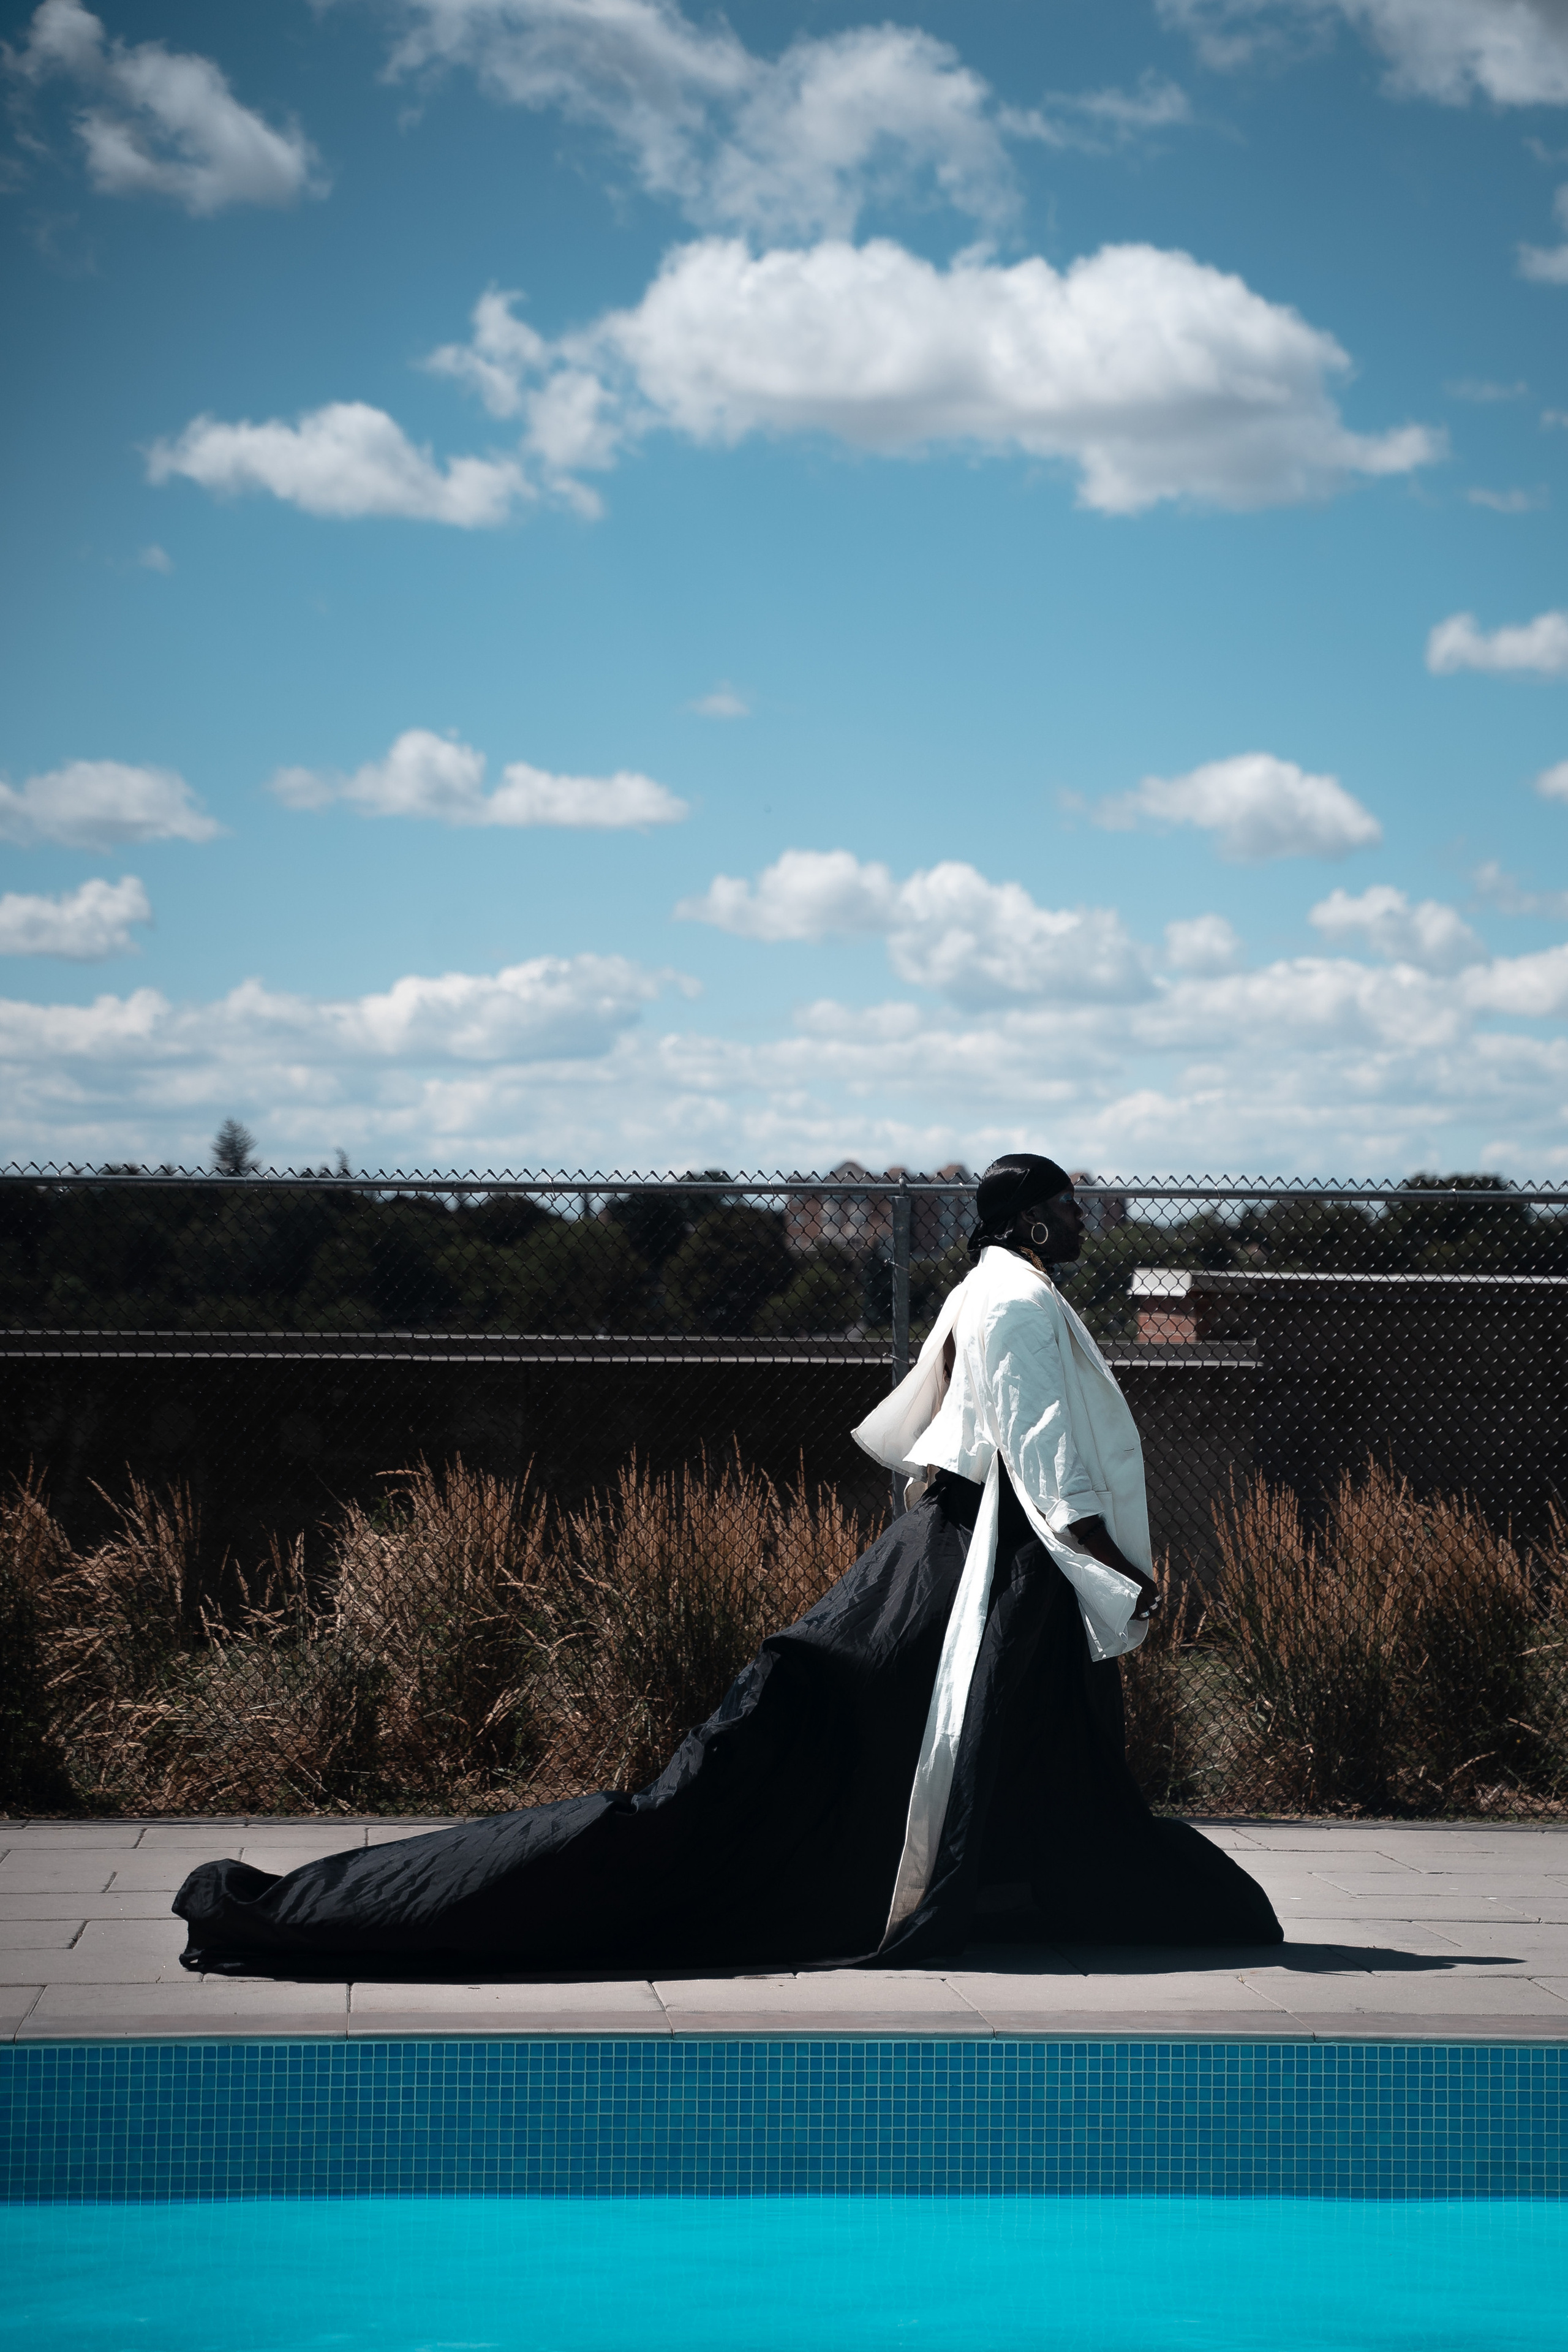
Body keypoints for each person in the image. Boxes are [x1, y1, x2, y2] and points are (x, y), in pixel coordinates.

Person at [173, 1153, 1280, 1976]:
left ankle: (1022, 1893)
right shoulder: (1020, 1300)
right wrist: (1108, 1568)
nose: (1084, 1220)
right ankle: (341, 1911)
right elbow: (1040, 1460)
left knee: (871, 1778)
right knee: (707, 1819)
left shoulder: (980, 1290)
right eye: (1070, 1208)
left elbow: (924, 1425)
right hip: (979, 1565)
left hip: (951, 1559)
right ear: (1035, 1222)